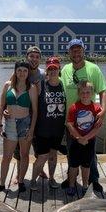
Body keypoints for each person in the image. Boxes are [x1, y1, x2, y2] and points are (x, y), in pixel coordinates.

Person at [61, 38, 106, 193]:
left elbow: (103, 91)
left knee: (90, 153)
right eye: (73, 50)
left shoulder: (93, 68)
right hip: (71, 121)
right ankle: (71, 179)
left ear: (83, 51)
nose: (76, 53)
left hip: (89, 119)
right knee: (71, 151)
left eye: (78, 49)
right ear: (69, 52)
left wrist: (103, 110)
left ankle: (93, 180)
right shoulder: (66, 69)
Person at [0, 60, 38, 193]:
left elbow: (35, 111)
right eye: (19, 70)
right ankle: (2, 183)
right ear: (15, 71)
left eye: (25, 70)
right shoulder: (7, 85)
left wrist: (31, 130)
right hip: (10, 124)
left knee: (24, 155)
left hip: (25, 124)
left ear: (28, 72)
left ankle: (20, 181)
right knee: (6, 157)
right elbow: (1, 106)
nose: (22, 73)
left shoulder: (31, 88)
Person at [12, 46, 48, 181]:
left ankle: (40, 170)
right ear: (27, 57)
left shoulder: (44, 74)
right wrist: (5, 109)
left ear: (40, 59)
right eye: (31, 56)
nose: (34, 59)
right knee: (19, 149)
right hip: (21, 117)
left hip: (38, 117)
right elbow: (10, 90)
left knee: (39, 147)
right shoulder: (21, 71)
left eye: (37, 57)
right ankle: (18, 173)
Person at [30, 56, 66, 190]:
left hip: (57, 129)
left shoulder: (63, 85)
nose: (53, 71)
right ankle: (33, 180)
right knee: (42, 156)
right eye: (50, 69)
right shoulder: (40, 85)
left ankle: (51, 178)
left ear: (59, 69)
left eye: (55, 68)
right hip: (43, 129)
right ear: (46, 70)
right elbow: (32, 105)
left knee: (53, 156)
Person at [66, 81, 102, 196]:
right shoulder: (74, 107)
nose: (85, 94)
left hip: (89, 141)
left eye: (87, 92)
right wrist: (78, 137)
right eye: (82, 92)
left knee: (86, 166)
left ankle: (85, 186)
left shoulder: (97, 108)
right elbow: (69, 124)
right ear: (78, 93)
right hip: (75, 141)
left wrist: (85, 138)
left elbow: (97, 128)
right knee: (73, 165)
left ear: (92, 93)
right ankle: (71, 185)